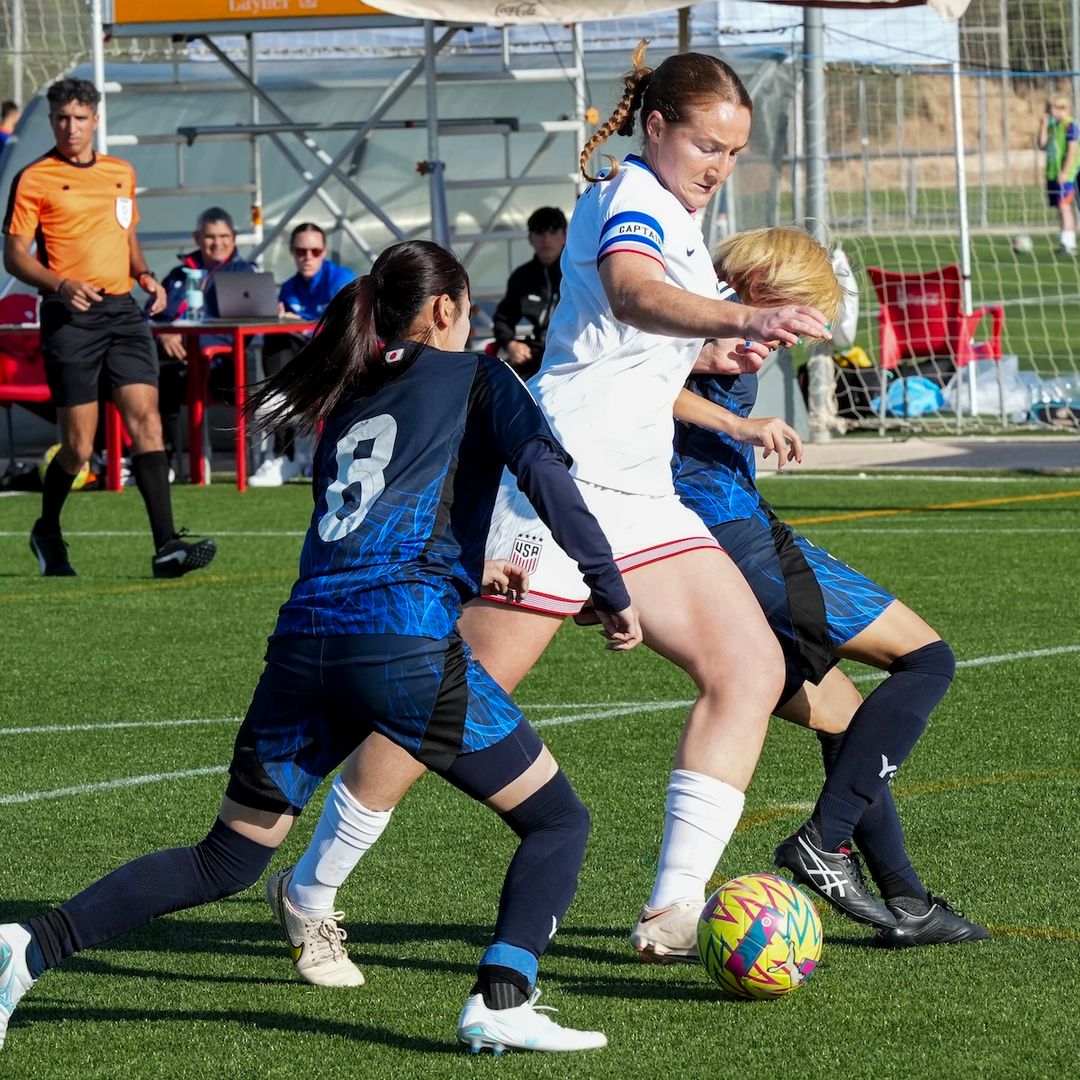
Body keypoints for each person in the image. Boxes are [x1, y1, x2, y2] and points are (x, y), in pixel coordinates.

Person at [258, 42, 831, 980]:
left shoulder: (679, 217)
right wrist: (736, 320)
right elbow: (630, 294)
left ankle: (675, 910)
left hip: (639, 491)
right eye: (707, 146)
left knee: (749, 665)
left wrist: (721, 371)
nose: (720, 168)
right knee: (436, 712)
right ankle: (312, 890)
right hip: (553, 485)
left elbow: (631, 359)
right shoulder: (634, 201)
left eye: (733, 151)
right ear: (657, 128)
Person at [0, 239, 643, 1056]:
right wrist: (610, 588)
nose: (474, 318)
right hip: (397, 639)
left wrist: (479, 574)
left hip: (305, 641)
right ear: (445, 309)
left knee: (225, 860)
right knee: (558, 820)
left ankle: (28, 947)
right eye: (469, 306)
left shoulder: (352, 393)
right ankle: (503, 997)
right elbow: (549, 478)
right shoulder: (481, 375)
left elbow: (368, 523)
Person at [672, 226, 988, 947]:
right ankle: (826, 840)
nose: (782, 340)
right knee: (928, 659)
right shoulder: (700, 319)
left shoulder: (708, 315)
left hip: (714, 544)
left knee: (844, 717)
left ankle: (907, 901)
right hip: (738, 541)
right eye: (794, 313)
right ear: (767, 286)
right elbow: (629, 380)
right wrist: (736, 421)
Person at [1, 77, 216, 578]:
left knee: (147, 418)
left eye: (79, 118)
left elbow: (127, 237)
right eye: (60, 118)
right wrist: (59, 285)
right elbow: (13, 257)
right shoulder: (34, 178)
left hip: (122, 311)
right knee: (79, 444)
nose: (69, 127)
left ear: (95, 120)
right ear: (52, 121)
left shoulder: (121, 172)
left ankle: (166, 547)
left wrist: (145, 276)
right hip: (69, 315)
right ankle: (47, 530)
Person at [249, 222, 356, 487]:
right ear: (292, 252)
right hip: (301, 360)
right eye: (301, 251)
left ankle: (287, 409)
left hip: (337, 359)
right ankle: (284, 450)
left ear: (324, 251)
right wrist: (285, 320)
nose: (307, 257)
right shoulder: (288, 287)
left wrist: (304, 323)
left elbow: (345, 329)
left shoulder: (341, 280)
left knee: (289, 346)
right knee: (276, 339)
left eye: (315, 251)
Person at [153, 207, 258, 471]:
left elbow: (249, 324)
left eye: (224, 236)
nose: (217, 243)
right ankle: (159, 459)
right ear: (198, 238)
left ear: (233, 238)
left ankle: (258, 457)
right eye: (210, 236)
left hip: (220, 364)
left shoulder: (243, 274)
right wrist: (166, 335)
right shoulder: (179, 275)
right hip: (175, 361)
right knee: (149, 378)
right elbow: (152, 315)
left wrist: (193, 342)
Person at [490, 206, 567, 380]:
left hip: (573, 352)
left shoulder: (579, 272)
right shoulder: (522, 277)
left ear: (565, 236)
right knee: (499, 384)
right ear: (530, 238)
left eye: (553, 231)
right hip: (535, 355)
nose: (546, 238)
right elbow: (503, 319)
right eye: (539, 232)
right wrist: (511, 344)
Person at [1037, 94, 1080, 255]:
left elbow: (1072, 151)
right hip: (1052, 173)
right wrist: (1043, 125)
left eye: (1053, 108)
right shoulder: (1052, 125)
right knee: (1060, 207)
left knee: (1065, 206)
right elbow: (1041, 145)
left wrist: (1065, 171)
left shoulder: (1070, 125)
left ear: (1063, 109)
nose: (1050, 111)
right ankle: (1064, 242)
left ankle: (1069, 243)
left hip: (1066, 174)